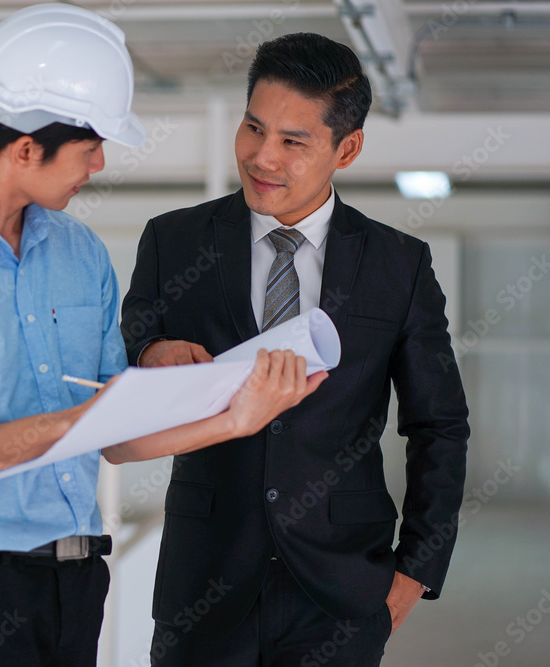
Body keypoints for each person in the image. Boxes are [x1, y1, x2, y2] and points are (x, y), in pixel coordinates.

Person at [0, 7, 325, 666]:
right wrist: (74, 422)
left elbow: (115, 436)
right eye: (90, 144)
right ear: (23, 146)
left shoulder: (80, 253)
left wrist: (235, 418)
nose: (100, 162)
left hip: (79, 580)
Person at [121, 32, 470, 666]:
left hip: (341, 589)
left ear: (348, 147)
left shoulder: (398, 265)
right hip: (204, 584)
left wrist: (415, 571)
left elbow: (440, 426)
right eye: (253, 128)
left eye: (292, 141)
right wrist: (148, 358)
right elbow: (126, 362)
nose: (262, 156)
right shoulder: (173, 242)